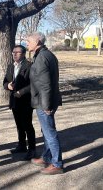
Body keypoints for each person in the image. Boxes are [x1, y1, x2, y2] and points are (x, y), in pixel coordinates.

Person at [26, 32, 64, 175]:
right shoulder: (46, 54)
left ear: (37, 42)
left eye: (28, 41)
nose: (26, 43)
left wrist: (47, 106)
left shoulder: (42, 57)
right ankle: (46, 157)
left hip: (44, 103)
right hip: (45, 101)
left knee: (49, 133)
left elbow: (46, 85)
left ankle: (57, 164)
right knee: (46, 131)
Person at [3, 45, 36, 161]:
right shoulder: (10, 66)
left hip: (26, 101)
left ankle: (32, 149)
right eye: (13, 52)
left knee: (27, 125)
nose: (14, 54)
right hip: (14, 100)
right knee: (19, 125)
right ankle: (22, 145)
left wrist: (21, 92)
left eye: (17, 52)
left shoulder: (30, 66)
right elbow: (5, 81)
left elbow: (34, 84)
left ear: (23, 54)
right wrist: (8, 85)